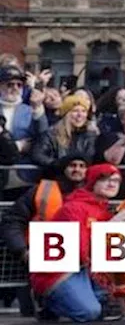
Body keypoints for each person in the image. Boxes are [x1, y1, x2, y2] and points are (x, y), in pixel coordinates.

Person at [29, 163, 125, 321]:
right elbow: (80, 247)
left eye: (116, 181)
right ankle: (47, 300)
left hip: (83, 268)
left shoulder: (104, 211)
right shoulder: (74, 208)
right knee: (89, 313)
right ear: (92, 182)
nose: (112, 184)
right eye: (105, 180)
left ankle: (94, 297)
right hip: (59, 272)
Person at [0, 155, 88, 317]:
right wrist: (22, 250)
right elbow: (12, 220)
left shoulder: (93, 192)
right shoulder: (41, 190)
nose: (77, 170)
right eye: (73, 165)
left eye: (82, 166)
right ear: (63, 168)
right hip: (42, 255)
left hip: (81, 259)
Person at [0, 64, 49, 199]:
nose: (14, 88)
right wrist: (18, 146)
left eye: (19, 85)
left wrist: (38, 108)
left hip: (22, 175)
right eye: (10, 84)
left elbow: (42, 135)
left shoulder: (28, 110)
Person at [31, 91, 97, 168]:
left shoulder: (90, 135)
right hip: (56, 175)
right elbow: (38, 155)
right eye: (75, 111)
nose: (80, 115)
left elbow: (91, 157)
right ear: (66, 114)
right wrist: (59, 164)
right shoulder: (51, 134)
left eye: (83, 111)